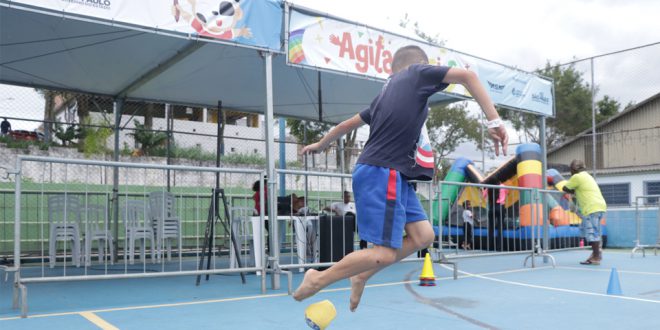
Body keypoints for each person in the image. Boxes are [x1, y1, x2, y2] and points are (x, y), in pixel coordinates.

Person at [293, 45, 508, 311]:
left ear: (390, 70)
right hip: (381, 172)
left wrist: (321, 144)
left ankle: (362, 275)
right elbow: (469, 76)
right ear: (419, 65)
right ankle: (318, 278)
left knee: (424, 235)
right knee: (384, 253)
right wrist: (494, 121)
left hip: (393, 174)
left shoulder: (384, 94)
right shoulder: (416, 74)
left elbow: (345, 125)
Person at [562, 159, 607, 265]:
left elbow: (565, 188)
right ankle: (596, 254)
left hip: (591, 208)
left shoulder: (577, 177)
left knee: (592, 233)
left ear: (573, 169)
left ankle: (596, 257)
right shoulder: (588, 176)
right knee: (591, 231)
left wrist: (573, 191)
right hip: (599, 206)